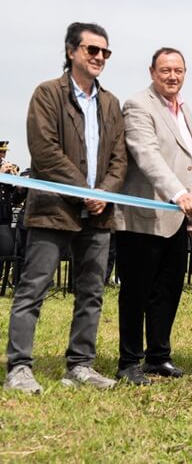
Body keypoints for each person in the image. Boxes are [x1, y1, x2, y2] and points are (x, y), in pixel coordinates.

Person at [4, 22, 127, 394]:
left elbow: (120, 158)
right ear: (72, 51)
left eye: (105, 52)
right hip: (53, 209)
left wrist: (103, 192)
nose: (100, 57)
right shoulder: (46, 94)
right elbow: (44, 152)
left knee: (92, 291)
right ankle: (19, 368)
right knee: (33, 289)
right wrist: (84, 191)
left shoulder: (110, 103)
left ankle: (80, 365)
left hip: (99, 213)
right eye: (93, 50)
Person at [114, 47, 192, 386]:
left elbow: (191, 159)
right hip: (144, 216)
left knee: (169, 289)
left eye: (179, 70)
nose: (173, 76)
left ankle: (159, 356)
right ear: (152, 72)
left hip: (176, 219)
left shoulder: (183, 110)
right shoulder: (138, 105)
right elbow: (148, 156)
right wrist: (178, 192)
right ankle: (129, 361)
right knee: (136, 291)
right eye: (165, 70)